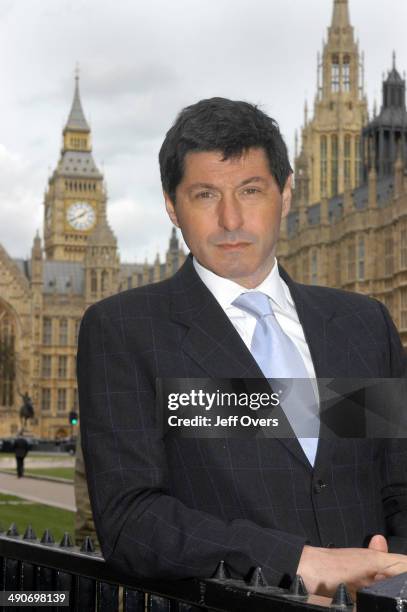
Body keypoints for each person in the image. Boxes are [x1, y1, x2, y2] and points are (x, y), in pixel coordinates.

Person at [77, 97, 407, 598]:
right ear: (172, 205)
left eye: (251, 190)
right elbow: (133, 520)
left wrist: (388, 575)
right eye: (205, 195)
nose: (231, 219)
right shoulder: (126, 330)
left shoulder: (361, 324)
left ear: (288, 193)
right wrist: (299, 562)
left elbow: (397, 486)